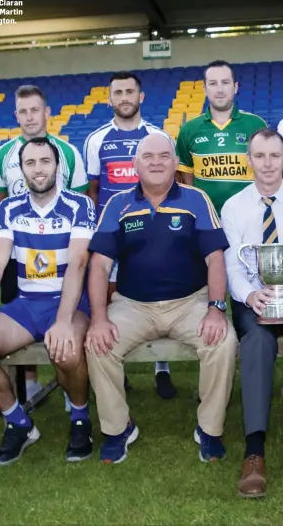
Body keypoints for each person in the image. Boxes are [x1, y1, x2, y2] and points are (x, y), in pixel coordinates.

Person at [86, 133, 238, 465]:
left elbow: (215, 260)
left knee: (223, 341)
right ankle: (119, 428)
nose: (156, 162)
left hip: (190, 303)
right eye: (148, 157)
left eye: (165, 156)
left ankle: (209, 430)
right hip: (132, 305)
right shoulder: (118, 204)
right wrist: (99, 318)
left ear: (174, 162)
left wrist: (215, 308)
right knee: (99, 344)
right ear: (135, 165)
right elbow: (99, 266)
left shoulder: (197, 199)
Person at [0, 137, 95, 465]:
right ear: (22, 169)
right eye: (30, 163)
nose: (38, 169)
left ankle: (79, 417)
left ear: (57, 166)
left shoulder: (79, 204)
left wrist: (62, 321)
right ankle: (19, 422)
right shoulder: (9, 208)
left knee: (67, 348)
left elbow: (78, 263)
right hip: (26, 303)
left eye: (44, 161)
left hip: (68, 302)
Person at [0, 84, 89, 412]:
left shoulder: (68, 153)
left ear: (47, 113)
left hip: (63, 255)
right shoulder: (2, 155)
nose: (30, 116)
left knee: (65, 336)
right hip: (21, 255)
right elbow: (0, 202)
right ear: (16, 115)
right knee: (20, 315)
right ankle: (26, 384)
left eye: (36, 110)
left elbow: (82, 201)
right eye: (23, 111)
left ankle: (69, 390)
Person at [83, 70, 176, 399]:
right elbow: (94, 191)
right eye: (117, 92)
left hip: (155, 233)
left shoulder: (158, 136)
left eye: (129, 91)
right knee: (111, 302)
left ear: (141, 97)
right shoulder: (96, 140)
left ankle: (161, 368)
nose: (123, 97)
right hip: (116, 236)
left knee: (159, 295)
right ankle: (115, 369)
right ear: (109, 99)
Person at [221, 128, 283, 498]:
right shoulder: (234, 207)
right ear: (248, 160)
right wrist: (251, 295)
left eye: (274, 155)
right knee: (257, 340)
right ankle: (254, 452)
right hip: (254, 299)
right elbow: (232, 268)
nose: (267, 164)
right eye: (259, 156)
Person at [177, 60, 267, 215]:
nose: (219, 89)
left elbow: (267, 170)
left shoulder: (256, 124)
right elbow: (186, 177)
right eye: (213, 83)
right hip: (206, 217)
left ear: (235, 87)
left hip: (250, 216)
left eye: (225, 82)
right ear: (204, 89)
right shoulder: (188, 130)